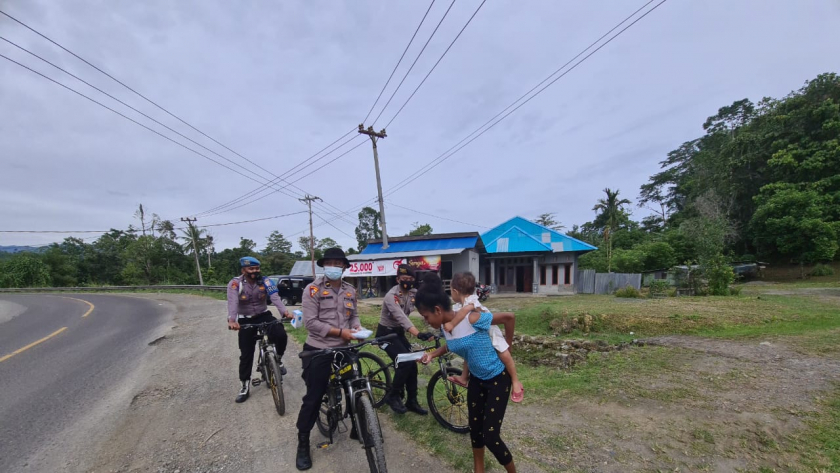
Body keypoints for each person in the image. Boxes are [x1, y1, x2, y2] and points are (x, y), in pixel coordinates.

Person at [418, 273, 517, 473]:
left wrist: (508, 345)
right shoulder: (447, 326)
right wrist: (432, 354)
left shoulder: (472, 317)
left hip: (497, 378)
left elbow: (509, 317)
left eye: (426, 317)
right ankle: (478, 469)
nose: (426, 322)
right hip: (476, 381)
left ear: (437, 310)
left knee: (490, 436)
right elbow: (452, 345)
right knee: (475, 429)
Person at [295, 247, 360, 471]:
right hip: (318, 349)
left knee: (355, 385)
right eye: (330, 262)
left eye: (338, 262)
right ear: (325, 266)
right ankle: (303, 442)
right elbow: (310, 323)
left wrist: (355, 326)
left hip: (344, 348)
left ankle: (358, 425)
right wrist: (340, 332)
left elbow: (355, 315)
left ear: (344, 266)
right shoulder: (312, 289)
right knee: (313, 396)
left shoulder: (351, 290)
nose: (334, 266)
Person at [443, 272, 524, 402]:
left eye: (450, 291)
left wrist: (452, 324)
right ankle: (464, 377)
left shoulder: (471, 301)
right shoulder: (460, 305)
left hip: (488, 330)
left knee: (503, 352)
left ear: (455, 291)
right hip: (476, 334)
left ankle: (515, 381)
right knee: (468, 354)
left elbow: (464, 312)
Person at [226, 256, 291, 403]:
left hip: (263, 315)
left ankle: (278, 360)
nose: (255, 271)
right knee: (246, 353)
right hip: (245, 318)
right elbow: (233, 302)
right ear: (243, 270)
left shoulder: (265, 281)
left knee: (280, 334)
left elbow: (275, 297)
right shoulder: (235, 283)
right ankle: (244, 385)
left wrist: (284, 312)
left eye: (257, 268)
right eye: (251, 269)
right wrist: (232, 320)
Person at [375, 263, 433, 415]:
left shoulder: (414, 293)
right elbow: (401, 317)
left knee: (412, 364)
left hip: (398, 334)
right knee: (405, 362)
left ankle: (411, 401)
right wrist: (418, 334)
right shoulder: (391, 296)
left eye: (410, 278)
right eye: (404, 278)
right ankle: (392, 396)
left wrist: (435, 322)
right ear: (397, 279)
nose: (407, 281)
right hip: (385, 335)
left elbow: (424, 309)